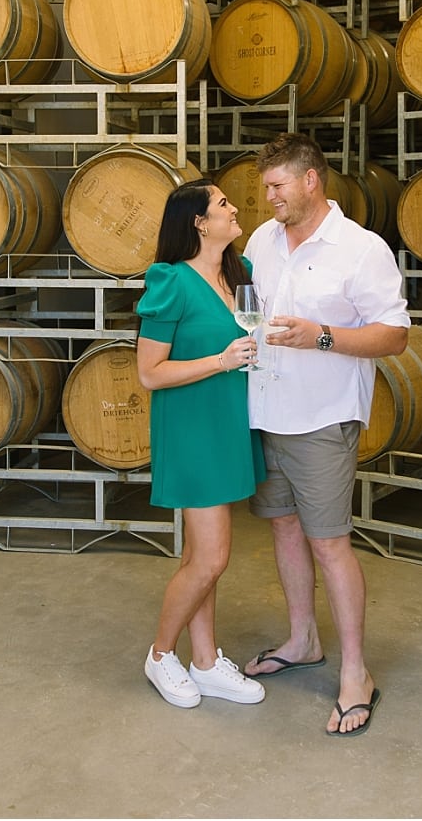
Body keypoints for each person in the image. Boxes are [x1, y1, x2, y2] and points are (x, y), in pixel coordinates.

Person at [239, 133, 410, 737]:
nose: (268, 197)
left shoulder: (361, 250)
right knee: (283, 528)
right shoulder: (261, 240)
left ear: (311, 180)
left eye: (277, 185)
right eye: (265, 187)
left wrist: (322, 336)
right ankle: (302, 638)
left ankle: (356, 673)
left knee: (330, 542)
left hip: (323, 418)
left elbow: (394, 335)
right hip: (266, 410)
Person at [135, 178, 267, 709]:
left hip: (228, 423)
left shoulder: (240, 275)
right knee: (211, 559)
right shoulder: (171, 281)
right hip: (192, 429)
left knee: (200, 555)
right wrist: (221, 360)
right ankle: (161, 654)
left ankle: (207, 661)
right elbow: (150, 372)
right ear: (198, 222)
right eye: (223, 204)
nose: (235, 209)